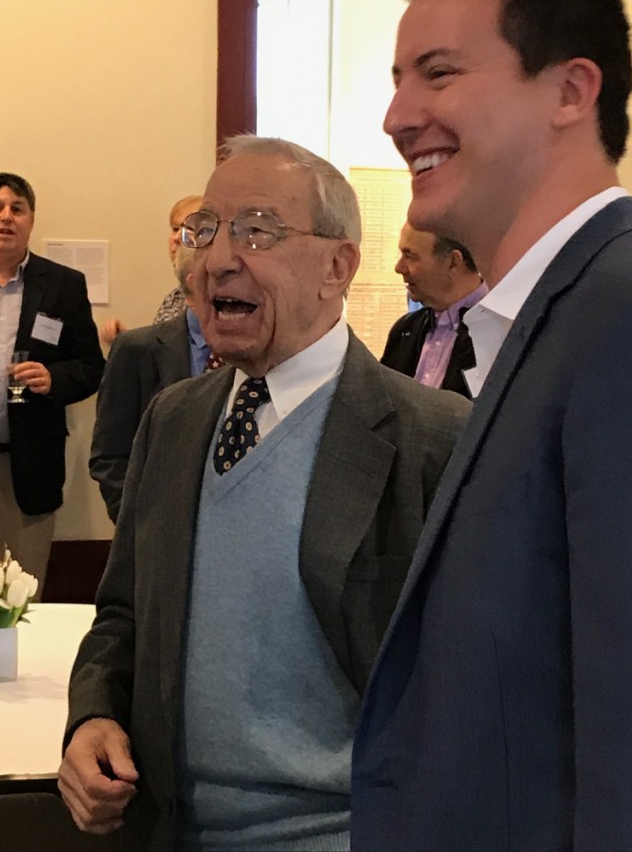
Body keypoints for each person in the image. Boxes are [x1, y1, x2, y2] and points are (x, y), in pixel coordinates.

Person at [351, 0, 632, 851]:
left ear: (569, 92)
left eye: (439, 73)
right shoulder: (546, 316)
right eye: (398, 79)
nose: (398, 114)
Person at [58, 136, 470, 851]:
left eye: (257, 230)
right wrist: (93, 716)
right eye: (206, 230)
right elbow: (122, 612)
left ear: (337, 267)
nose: (215, 258)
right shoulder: (174, 418)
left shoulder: (433, 439)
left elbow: (471, 690)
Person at [0, 173, 104, 587]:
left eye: (18, 208)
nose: (6, 217)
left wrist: (55, 377)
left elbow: (89, 367)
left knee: (13, 597)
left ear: (31, 220)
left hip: (22, 468)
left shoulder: (64, 285)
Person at [89, 244, 219, 524]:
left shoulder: (260, 351)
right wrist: (138, 523)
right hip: (157, 525)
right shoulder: (136, 350)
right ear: (193, 284)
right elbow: (110, 455)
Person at [381, 222, 486, 396]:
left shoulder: (502, 332)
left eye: (410, 255)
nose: (399, 268)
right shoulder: (404, 330)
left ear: (453, 262)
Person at [99, 194, 202, 344]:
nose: (177, 238)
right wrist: (126, 340)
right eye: (175, 229)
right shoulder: (174, 297)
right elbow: (165, 350)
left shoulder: (215, 297)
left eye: (190, 229)